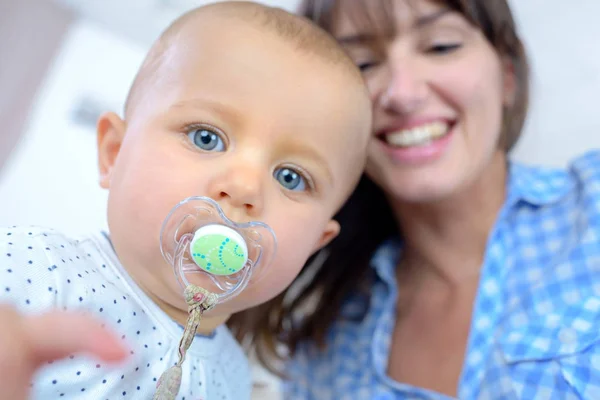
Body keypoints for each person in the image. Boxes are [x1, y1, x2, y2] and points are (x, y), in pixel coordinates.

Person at [228, 0, 600, 398]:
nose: (402, 94)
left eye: (441, 46)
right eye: (362, 64)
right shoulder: (324, 339)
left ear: (508, 75)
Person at [0, 2, 372, 399]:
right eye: (205, 137)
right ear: (114, 153)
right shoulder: (34, 268)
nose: (244, 187)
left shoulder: (237, 379)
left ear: (315, 242)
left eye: (290, 178)